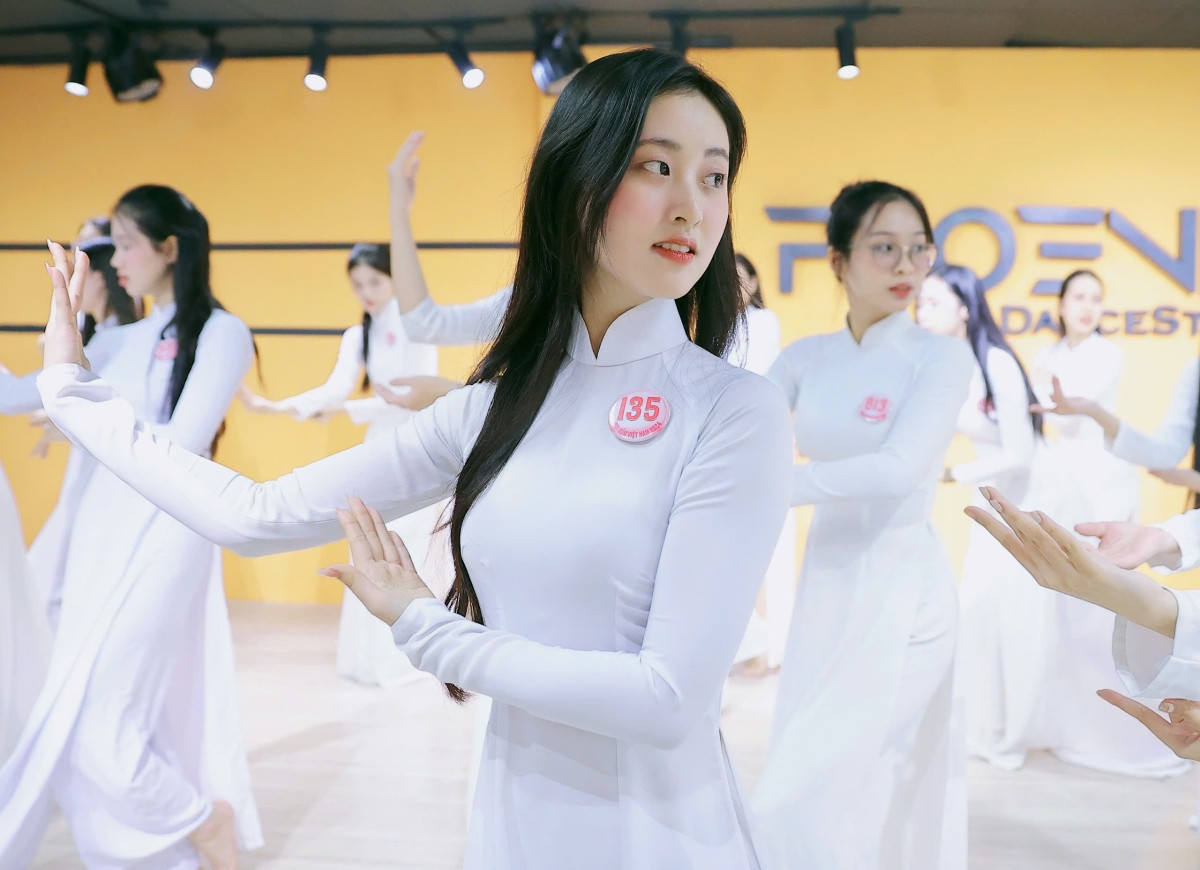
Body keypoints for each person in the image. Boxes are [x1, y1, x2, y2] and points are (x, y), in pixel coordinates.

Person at [33, 50, 792, 870]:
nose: (691, 207)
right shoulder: (494, 410)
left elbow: (667, 700)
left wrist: (426, 627)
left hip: (665, 839)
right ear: (578, 181)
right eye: (657, 167)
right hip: (511, 823)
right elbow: (253, 514)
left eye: (714, 177)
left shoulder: (733, 411)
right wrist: (76, 397)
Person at [0, 187, 262, 870]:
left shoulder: (222, 332)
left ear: (169, 248)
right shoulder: (118, 339)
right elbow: (18, 393)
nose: (113, 260)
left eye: (123, 243)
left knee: (103, 718)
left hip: (168, 533)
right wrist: (73, 363)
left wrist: (85, 399)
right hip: (103, 532)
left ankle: (202, 820)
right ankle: (169, 838)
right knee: (105, 710)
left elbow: (185, 440)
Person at [754, 181, 971, 869]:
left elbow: (900, 470)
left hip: (905, 594)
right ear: (839, 262)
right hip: (826, 585)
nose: (906, 266)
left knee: (820, 786)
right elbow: (737, 432)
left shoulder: (939, 357)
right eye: (884, 248)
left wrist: (773, 488)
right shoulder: (805, 358)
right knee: (818, 777)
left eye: (918, 249)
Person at [238, 243, 447, 686]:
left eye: (375, 281)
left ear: (394, 278)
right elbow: (335, 389)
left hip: (416, 448)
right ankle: (372, 660)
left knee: (409, 548)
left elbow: (411, 398)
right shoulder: (359, 334)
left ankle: (414, 659)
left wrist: (348, 409)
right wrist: (280, 407)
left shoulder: (416, 328)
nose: (366, 292)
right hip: (379, 447)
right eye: (357, 285)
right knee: (369, 546)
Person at [1029, 269, 1186, 776]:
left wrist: (1062, 407)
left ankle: (1119, 734)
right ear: (1060, 303)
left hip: (1104, 482)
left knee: (1103, 605)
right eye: (1079, 296)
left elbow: (1068, 415)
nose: (1087, 306)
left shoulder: (1108, 355)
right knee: (1062, 607)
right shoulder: (1045, 356)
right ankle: (1075, 723)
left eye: (1096, 298)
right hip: (1060, 480)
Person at [916, 263, 1053, 770]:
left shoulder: (996, 361)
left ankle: (1006, 730)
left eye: (932, 302)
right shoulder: (949, 364)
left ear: (964, 309)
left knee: (1006, 615)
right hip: (994, 501)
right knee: (980, 614)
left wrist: (953, 473)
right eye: (919, 303)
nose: (921, 313)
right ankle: (985, 725)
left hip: (1030, 501)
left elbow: (1021, 452)